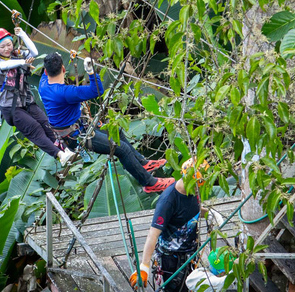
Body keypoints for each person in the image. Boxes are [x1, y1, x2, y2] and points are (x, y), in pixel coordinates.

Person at [38, 51, 173, 193]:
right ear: (63, 69)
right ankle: (150, 183)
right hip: (76, 136)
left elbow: (51, 73)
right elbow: (97, 90)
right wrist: (91, 72)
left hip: (76, 129)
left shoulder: (43, 84)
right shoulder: (66, 92)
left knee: (117, 132)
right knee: (122, 150)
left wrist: (69, 59)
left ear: (46, 72)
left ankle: (142, 163)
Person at [0, 27, 74, 165]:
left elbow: (34, 52)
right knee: (35, 128)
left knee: (46, 124)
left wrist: (22, 34)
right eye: (2, 46)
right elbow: (6, 65)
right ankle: (59, 154)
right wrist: (23, 62)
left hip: (26, 100)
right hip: (10, 106)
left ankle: (65, 150)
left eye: (9, 44)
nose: (6, 49)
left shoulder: (16, 54)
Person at [130, 158, 211, 292]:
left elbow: (193, 210)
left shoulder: (192, 193)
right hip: (170, 260)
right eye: (197, 184)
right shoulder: (168, 201)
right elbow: (152, 235)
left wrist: (210, 214)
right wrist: (144, 266)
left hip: (190, 255)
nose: (199, 189)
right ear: (189, 179)